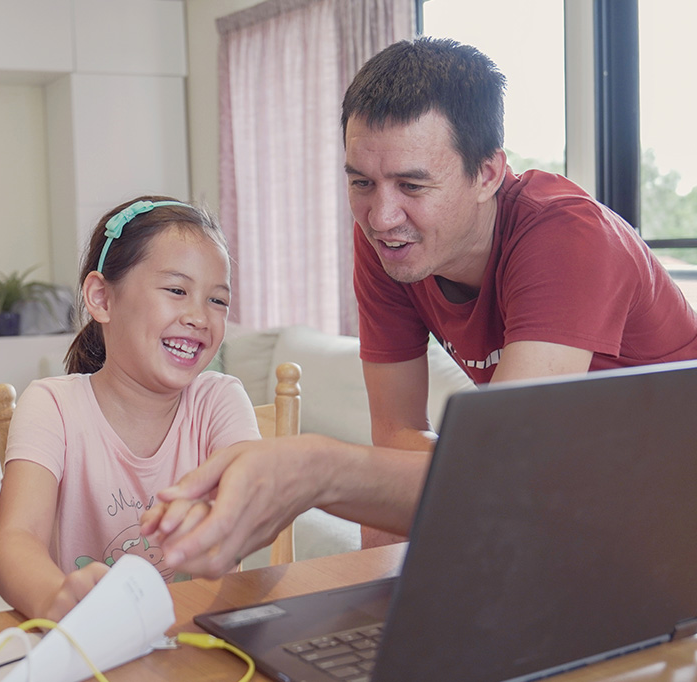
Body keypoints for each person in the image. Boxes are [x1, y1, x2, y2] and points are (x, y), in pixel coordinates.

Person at [140, 37, 697, 576]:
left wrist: (320, 468)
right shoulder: (390, 247)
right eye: (361, 182)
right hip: (564, 488)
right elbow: (398, 434)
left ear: (487, 173)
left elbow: (505, 467)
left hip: (669, 500)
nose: (381, 217)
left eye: (412, 185)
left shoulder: (567, 238)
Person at [0, 196, 260, 621]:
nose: (199, 317)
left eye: (217, 300)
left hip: (196, 635)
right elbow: (15, 541)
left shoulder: (220, 400)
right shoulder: (52, 405)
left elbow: (253, 505)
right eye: (176, 290)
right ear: (102, 298)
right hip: (91, 638)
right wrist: (56, 599)